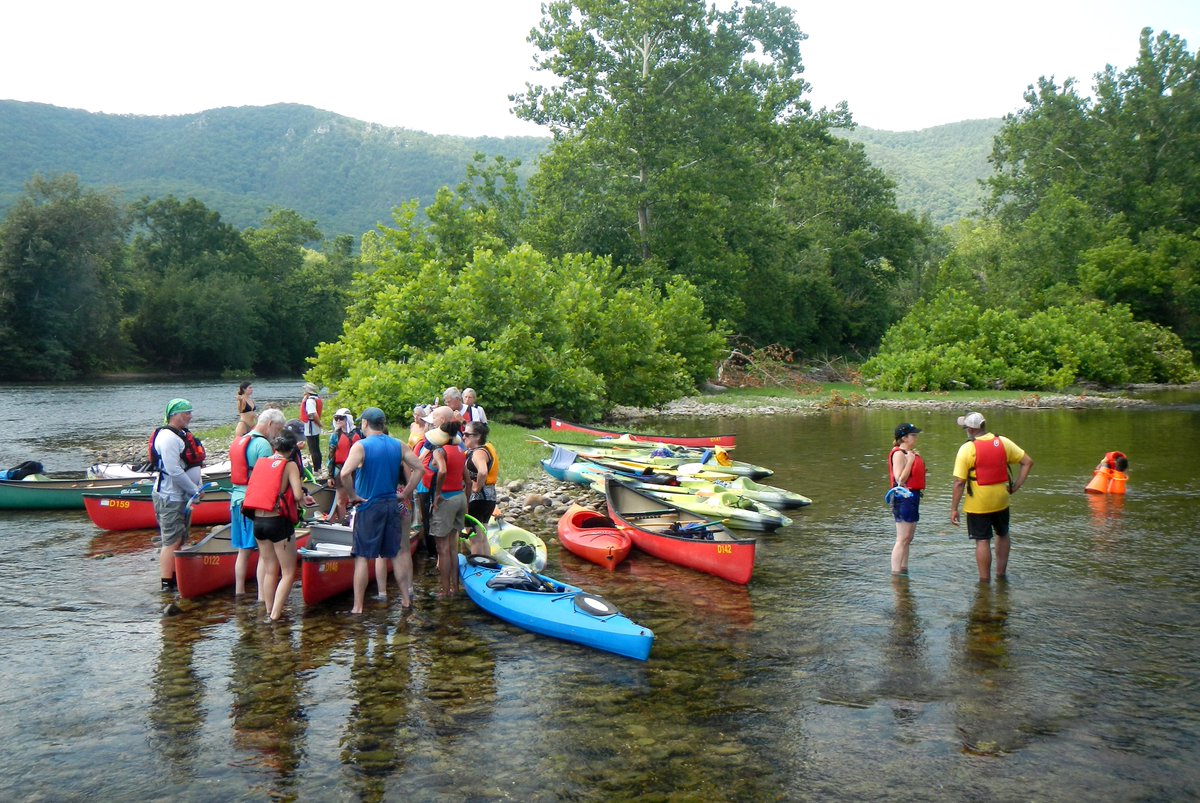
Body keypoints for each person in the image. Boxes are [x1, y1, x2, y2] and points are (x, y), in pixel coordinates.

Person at [337, 407, 423, 612]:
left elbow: (345, 473)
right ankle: (405, 600)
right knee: (400, 553)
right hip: (392, 504)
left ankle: (358, 607)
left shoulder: (361, 446)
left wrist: (352, 496)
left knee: (362, 557)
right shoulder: (398, 444)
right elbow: (419, 468)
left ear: (365, 423)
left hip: (369, 505)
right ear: (383, 424)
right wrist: (405, 493)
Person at [950, 412, 1034, 582]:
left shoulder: (967, 448)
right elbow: (1027, 462)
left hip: (978, 504)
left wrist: (953, 509)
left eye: (965, 427)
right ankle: (1001, 574)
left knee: (982, 540)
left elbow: (959, 482)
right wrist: (1016, 486)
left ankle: (984, 581)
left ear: (971, 430)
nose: (964, 430)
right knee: (1003, 533)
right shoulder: (1003, 442)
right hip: (1001, 500)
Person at [244, 429, 314, 621]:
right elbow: (298, 495)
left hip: (258, 522)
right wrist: (303, 500)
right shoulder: (289, 465)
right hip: (278, 523)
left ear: (274, 446)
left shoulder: (261, 462)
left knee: (269, 569)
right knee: (289, 572)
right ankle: (275, 616)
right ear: (291, 449)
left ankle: (268, 611)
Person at [151, 399, 207, 591]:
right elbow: (173, 470)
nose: (190, 416)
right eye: (186, 413)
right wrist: (195, 490)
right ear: (174, 415)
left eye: (190, 412)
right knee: (171, 541)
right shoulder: (168, 438)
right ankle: (167, 584)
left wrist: (194, 489)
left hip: (182, 497)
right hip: (170, 496)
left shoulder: (180, 435)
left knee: (179, 538)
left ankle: (176, 576)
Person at [228, 408, 284, 596]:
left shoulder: (240, 440)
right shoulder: (263, 445)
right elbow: (269, 479)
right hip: (252, 503)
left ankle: (239, 592)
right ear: (270, 424)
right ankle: (262, 596)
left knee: (243, 551)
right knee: (264, 552)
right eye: (278, 428)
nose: (278, 432)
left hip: (235, 500)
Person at [428, 419, 472, 598]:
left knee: (442, 549)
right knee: (453, 547)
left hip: (446, 499)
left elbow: (443, 471)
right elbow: (468, 481)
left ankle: (444, 591)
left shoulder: (440, 451)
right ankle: (455, 588)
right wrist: (466, 502)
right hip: (460, 497)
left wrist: (437, 494)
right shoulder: (460, 451)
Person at [888, 422, 925, 576]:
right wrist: (910, 461)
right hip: (903, 497)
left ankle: (904, 569)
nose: (915, 437)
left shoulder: (909, 453)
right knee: (902, 538)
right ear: (904, 438)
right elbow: (899, 479)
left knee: (908, 538)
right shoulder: (898, 454)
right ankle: (896, 574)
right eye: (913, 435)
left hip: (913, 496)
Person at [324, 408, 363, 521]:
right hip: (340, 469)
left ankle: (357, 520)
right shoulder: (335, 436)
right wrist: (330, 476)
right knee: (341, 499)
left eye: (341, 418)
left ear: (348, 419)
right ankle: (342, 521)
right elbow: (331, 457)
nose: (338, 420)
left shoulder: (358, 433)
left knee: (358, 495)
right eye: (336, 418)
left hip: (357, 469)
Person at [465, 421, 499, 530]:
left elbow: (483, 471)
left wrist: (476, 488)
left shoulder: (478, 453)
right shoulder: (484, 449)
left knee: (475, 540)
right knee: (483, 537)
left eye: (466, 435)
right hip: (489, 498)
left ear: (478, 436)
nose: (463, 437)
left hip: (477, 499)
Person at [300, 382, 324, 477]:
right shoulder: (316, 398)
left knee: (313, 448)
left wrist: (319, 423)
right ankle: (319, 468)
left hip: (311, 426)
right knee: (316, 448)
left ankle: (316, 469)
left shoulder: (310, 401)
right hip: (314, 426)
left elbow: (313, 414)